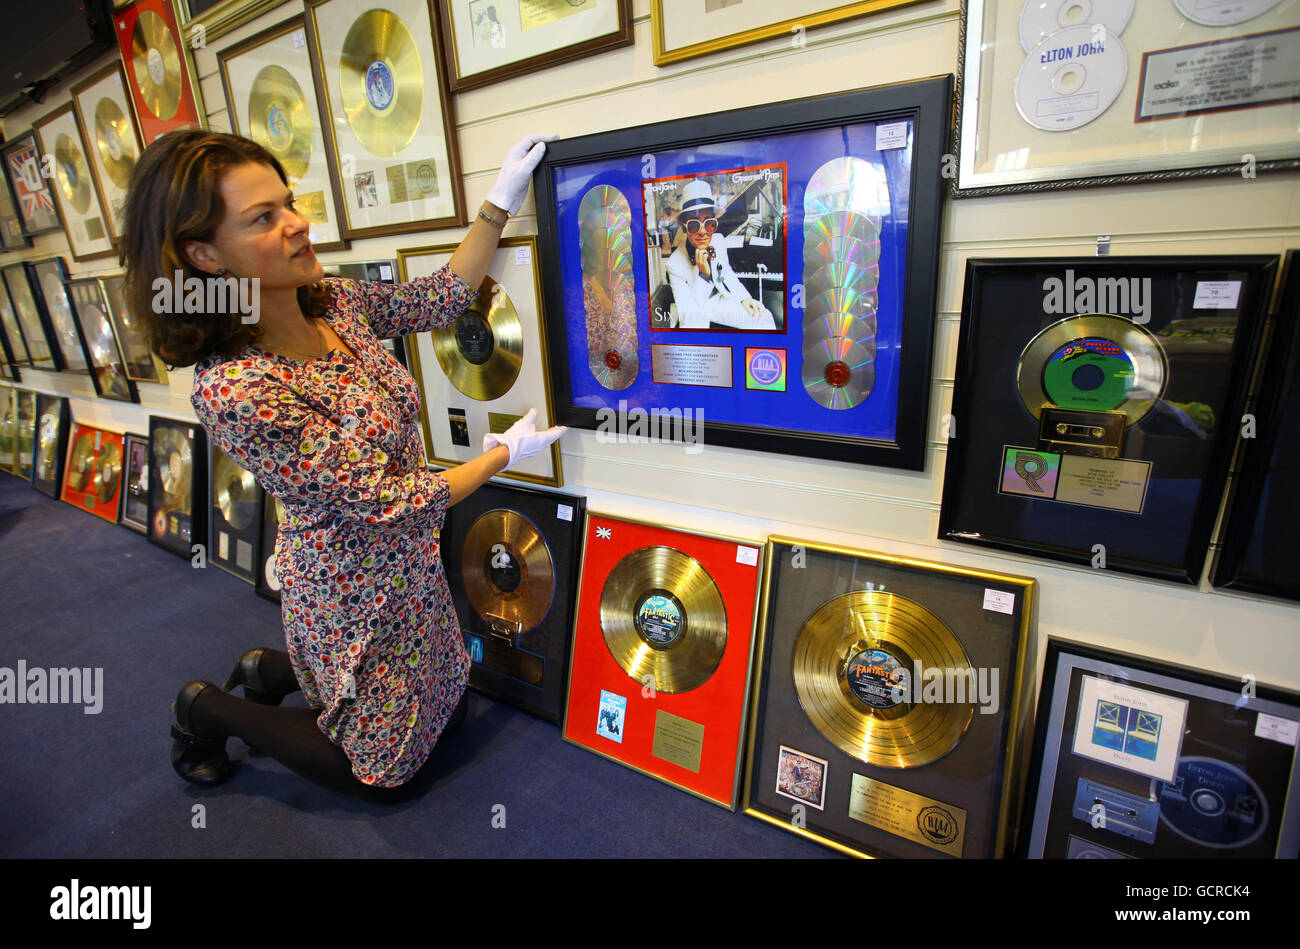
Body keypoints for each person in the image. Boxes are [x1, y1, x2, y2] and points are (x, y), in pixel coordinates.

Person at [121, 130, 565, 803]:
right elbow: (393, 499)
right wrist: (504, 455)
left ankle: (269, 671)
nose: (297, 224)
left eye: (289, 203)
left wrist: (498, 203)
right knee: (385, 774)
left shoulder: (328, 302)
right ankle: (207, 708)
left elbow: (439, 298)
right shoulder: (237, 387)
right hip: (348, 589)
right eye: (264, 218)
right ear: (204, 255)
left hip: (409, 565)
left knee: (450, 712)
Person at [662, 180, 775, 330]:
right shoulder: (674, 264)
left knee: (763, 317)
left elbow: (726, 272)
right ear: (684, 229)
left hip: (719, 299)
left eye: (709, 224)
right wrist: (703, 276)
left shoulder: (718, 241)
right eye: (694, 225)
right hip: (695, 307)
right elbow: (689, 314)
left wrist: (744, 297)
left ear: (715, 225)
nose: (702, 232)